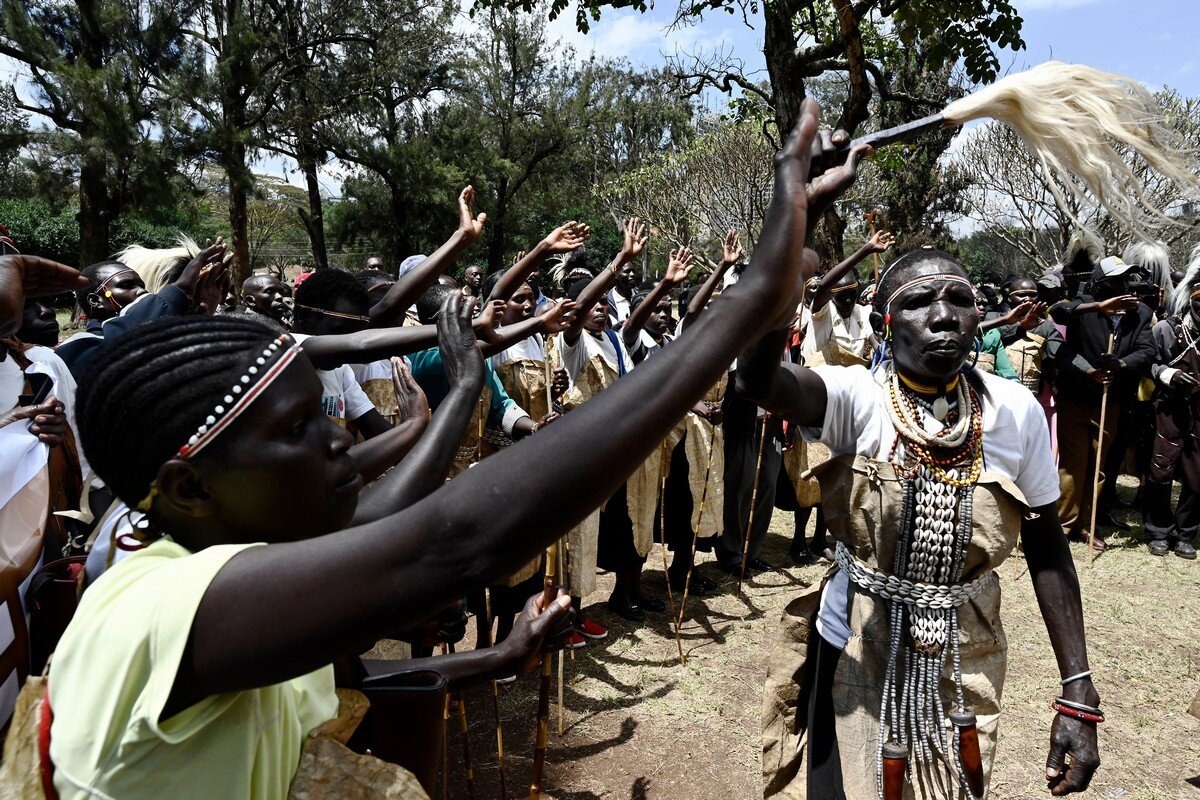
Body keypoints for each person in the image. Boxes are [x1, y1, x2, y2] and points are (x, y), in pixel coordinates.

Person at [40, 97, 830, 799]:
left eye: (321, 413)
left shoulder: (214, 552)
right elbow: (451, 537)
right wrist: (752, 297)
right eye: (296, 431)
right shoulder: (158, 608)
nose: (339, 438)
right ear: (189, 486)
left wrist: (484, 662)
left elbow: (370, 617)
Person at [744, 240, 1100, 799]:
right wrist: (780, 280)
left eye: (960, 299)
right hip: (855, 646)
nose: (943, 316)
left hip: (965, 655)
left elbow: (1048, 546)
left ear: (979, 317)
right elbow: (762, 383)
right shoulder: (857, 395)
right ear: (885, 324)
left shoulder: (1014, 411)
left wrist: (1078, 690)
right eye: (919, 303)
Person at [1051, 255, 1155, 550]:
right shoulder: (1083, 305)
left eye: (1126, 279)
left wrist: (1121, 364)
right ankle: (1064, 524)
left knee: (1098, 467)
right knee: (1073, 465)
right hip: (1077, 398)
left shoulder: (1141, 313)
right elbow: (1058, 312)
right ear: (1099, 284)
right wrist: (1099, 307)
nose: (1124, 286)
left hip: (1110, 402)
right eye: (1115, 281)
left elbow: (1147, 351)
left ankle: (1087, 524)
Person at [56, 243, 230, 378]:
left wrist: (202, 313)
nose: (142, 291)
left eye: (142, 285)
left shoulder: (154, 331)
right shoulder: (79, 347)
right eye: (126, 286)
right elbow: (118, 345)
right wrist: (180, 289)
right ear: (96, 301)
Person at [1143, 245, 1200, 559]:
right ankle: (1158, 531)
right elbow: (1147, 362)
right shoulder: (1167, 329)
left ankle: (1185, 534)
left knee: (1197, 475)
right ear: (1191, 296)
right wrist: (1168, 374)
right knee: (1161, 469)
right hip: (1170, 410)